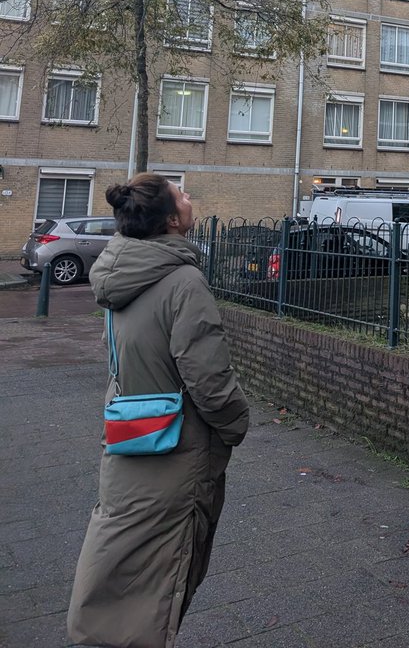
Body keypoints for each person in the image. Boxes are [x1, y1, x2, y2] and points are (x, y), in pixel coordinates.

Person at [68, 173, 249, 648]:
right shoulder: (183, 280)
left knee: (118, 547)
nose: (190, 198)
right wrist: (236, 423)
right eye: (181, 194)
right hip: (178, 449)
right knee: (167, 568)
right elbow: (207, 376)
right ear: (171, 220)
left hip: (129, 432)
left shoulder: (120, 271)